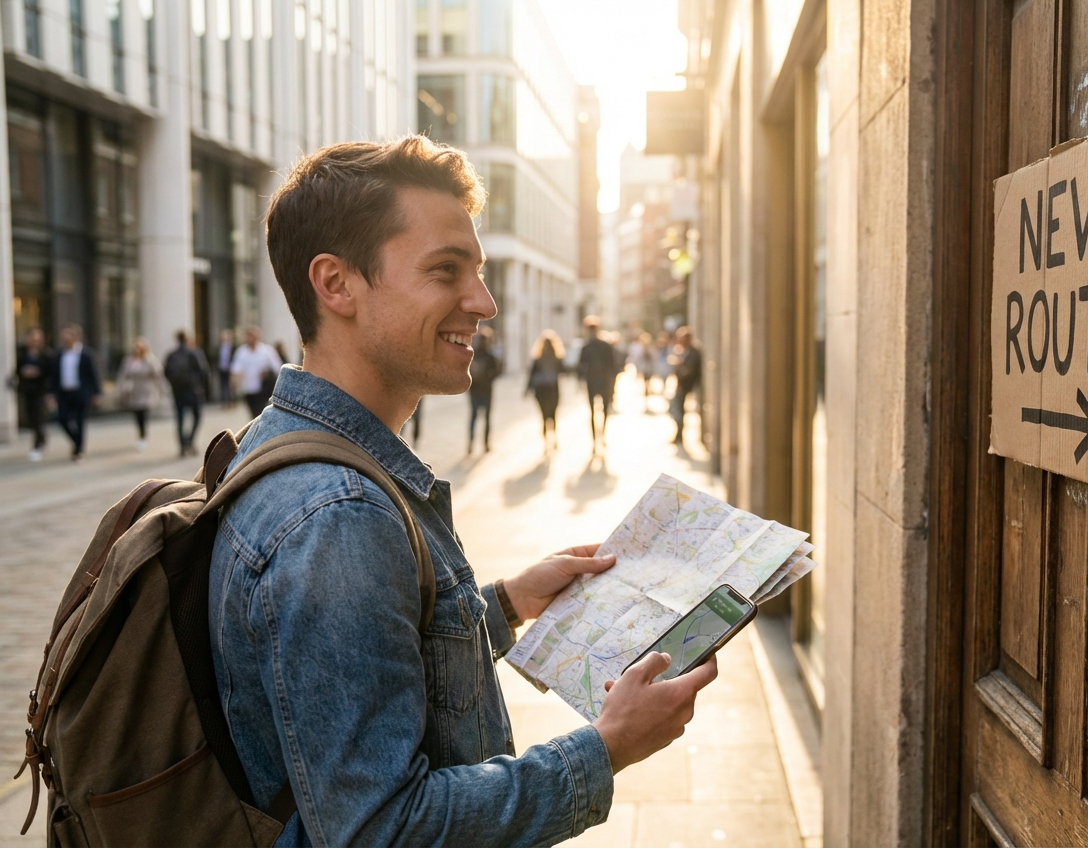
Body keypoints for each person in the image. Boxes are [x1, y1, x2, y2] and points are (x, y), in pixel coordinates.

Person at [210, 136, 716, 846]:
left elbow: (358, 665)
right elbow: (381, 830)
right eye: (445, 270)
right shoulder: (338, 516)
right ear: (336, 284)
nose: (483, 301)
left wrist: (506, 604)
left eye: (476, 271)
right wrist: (605, 750)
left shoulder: (285, 443)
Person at [49, 324, 101, 462]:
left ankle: (79, 450)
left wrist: (97, 393)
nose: (65, 338)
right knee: (62, 419)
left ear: (75, 336)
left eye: (68, 335)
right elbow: (54, 376)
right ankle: (76, 441)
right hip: (64, 393)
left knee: (79, 421)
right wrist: (51, 393)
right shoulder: (59, 355)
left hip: (80, 392)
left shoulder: (86, 354)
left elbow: (93, 375)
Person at [164, 330, 211, 456]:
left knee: (180, 418)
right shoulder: (193, 353)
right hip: (192, 390)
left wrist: (173, 385)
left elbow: (166, 372)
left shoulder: (172, 355)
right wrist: (202, 386)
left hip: (177, 391)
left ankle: (182, 446)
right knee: (197, 416)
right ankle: (189, 441)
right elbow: (203, 371)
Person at [115, 337, 165, 451]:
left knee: (143, 413)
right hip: (134, 391)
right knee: (137, 414)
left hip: (146, 390)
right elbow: (122, 376)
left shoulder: (150, 360)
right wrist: (119, 390)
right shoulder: (129, 360)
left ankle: (143, 436)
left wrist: (162, 389)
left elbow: (158, 376)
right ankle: (140, 434)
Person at [11, 328, 53, 461]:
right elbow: (16, 370)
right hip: (27, 390)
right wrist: (23, 372)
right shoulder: (22, 353)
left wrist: (38, 372)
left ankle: (38, 443)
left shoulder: (45, 354)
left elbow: (50, 373)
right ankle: (41, 437)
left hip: (40, 391)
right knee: (30, 417)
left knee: (38, 416)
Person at [577, 315, 618, 449]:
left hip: (600, 381)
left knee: (601, 410)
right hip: (596, 381)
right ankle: (596, 438)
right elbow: (581, 366)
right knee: (594, 411)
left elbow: (612, 366)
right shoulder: (588, 347)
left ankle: (600, 436)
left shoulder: (598, 346)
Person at [230, 326, 283, 418]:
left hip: (263, 389)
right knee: (253, 415)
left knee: (260, 413)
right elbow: (236, 369)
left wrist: (267, 373)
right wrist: (233, 383)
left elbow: (277, 367)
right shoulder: (241, 352)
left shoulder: (266, 351)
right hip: (248, 389)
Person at [526, 330, 565, 451]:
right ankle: (552, 438)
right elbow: (563, 371)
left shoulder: (539, 358)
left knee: (544, 415)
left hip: (541, 389)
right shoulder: (556, 358)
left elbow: (531, 375)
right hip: (551, 388)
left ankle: (547, 440)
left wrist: (527, 389)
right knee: (552, 414)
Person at [466, 326, 501, 453]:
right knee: (486, 419)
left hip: (474, 390)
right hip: (486, 391)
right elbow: (497, 371)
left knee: (473, 417)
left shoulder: (472, 354)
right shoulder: (489, 356)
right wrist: (488, 378)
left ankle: (470, 444)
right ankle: (485, 444)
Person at [668, 326, 703, 446]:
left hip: (687, 385)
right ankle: (678, 434)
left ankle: (680, 434)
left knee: (679, 410)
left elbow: (689, 371)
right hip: (682, 385)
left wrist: (678, 365)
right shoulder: (684, 351)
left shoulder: (693, 353)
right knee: (676, 409)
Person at [216, 329, 236, 407]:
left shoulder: (233, 347)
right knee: (223, 386)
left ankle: (232, 401)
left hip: (230, 369)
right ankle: (224, 401)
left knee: (231, 386)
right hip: (222, 369)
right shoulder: (220, 347)